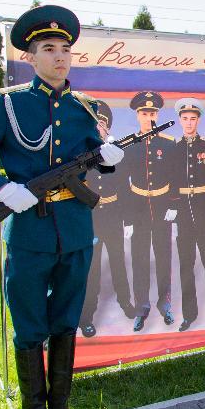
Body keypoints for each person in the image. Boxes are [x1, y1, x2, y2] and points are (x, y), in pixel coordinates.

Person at [0, 5, 124, 409]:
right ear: (30, 57)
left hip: (76, 231)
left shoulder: (83, 107)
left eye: (66, 49)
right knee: (29, 324)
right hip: (28, 233)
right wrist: (3, 189)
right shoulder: (8, 103)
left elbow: (92, 159)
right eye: (49, 49)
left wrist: (106, 158)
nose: (60, 57)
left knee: (66, 321)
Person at [166, 98, 205, 331]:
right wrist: (172, 206)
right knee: (186, 266)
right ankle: (189, 315)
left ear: (198, 120)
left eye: (193, 119)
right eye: (185, 119)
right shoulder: (175, 148)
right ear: (180, 120)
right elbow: (171, 179)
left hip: (204, 213)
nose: (189, 123)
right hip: (183, 215)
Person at [122, 91, 177, 331]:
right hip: (139, 209)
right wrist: (128, 219)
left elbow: (176, 176)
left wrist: (174, 205)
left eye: (153, 113)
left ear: (158, 115)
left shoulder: (168, 143)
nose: (149, 117)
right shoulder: (129, 145)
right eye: (145, 113)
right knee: (140, 259)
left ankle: (165, 304)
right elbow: (124, 183)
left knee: (164, 257)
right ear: (137, 115)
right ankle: (141, 307)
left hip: (163, 207)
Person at [81, 100, 134, 337]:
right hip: (91, 217)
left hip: (113, 215)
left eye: (102, 124)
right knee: (91, 268)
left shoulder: (116, 152)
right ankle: (87, 315)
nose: (98, 129)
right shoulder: (80, 154)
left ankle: (126, 303)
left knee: (118, 263)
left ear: (108, 127)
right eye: (95, 124)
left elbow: (124, 189)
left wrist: (128, 220)